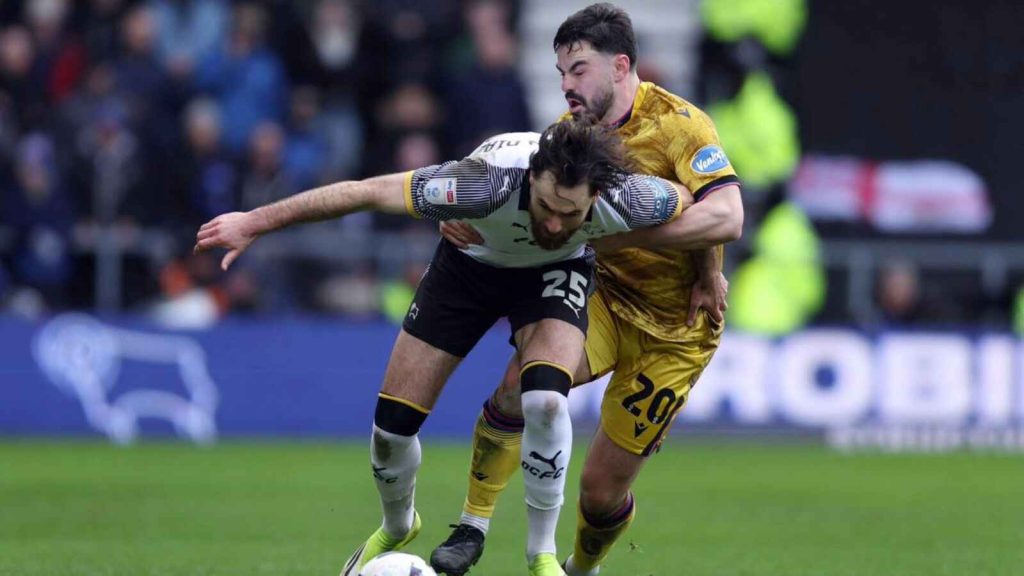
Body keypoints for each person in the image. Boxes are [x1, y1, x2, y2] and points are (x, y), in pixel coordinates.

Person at [194, 119, 703, 576]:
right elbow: (366, 193)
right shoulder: (480, 186)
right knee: (390, 433)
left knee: (546, 400)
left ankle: (541, 556)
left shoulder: (630, 197)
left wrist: (710, 272)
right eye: (546, 207)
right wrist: (254, 222)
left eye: (570, 214)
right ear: (531, 180)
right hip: (467, 269)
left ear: (595, 197)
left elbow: (708, 209)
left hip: (554, 274)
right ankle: (397, 524)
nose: (553, 224)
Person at [430, 4, 744, 575]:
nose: (566, 85)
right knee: (521, 389)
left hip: (677, 334)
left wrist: (697, 267)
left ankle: (582, 568)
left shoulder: (680, 125)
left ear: (621, 65)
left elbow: (727, 217)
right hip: (602, 299)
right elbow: (513, 194)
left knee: (600, 494)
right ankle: (471, 526)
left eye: (577, 70)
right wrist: (467, 219)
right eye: (560, 74)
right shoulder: (570, 138)